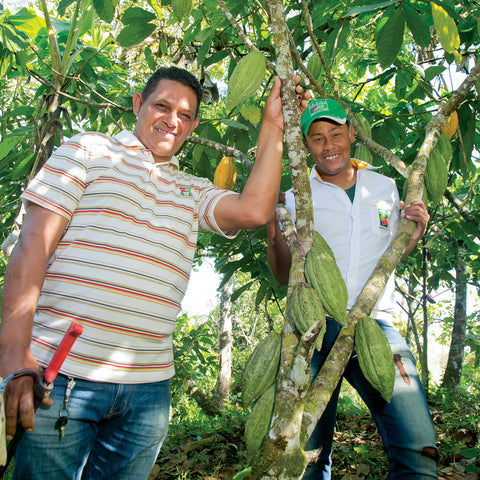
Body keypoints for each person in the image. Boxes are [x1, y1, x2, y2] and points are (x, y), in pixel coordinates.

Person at [0, 66, 289, 480]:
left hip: (148, 392)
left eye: (186, 115)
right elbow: (33, 245)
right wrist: (13, 353)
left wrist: (272, 126)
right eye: (162, 106)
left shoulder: (192, 189)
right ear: (138, 104)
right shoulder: (88, 150)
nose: (173, 120)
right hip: (62, 379)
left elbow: (253, 210)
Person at [267, 98, 438, 479]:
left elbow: (390, 254)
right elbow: (283, 275)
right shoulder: (296, 197)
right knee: (306, 460)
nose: (328, 146)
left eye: (336, 135)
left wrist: (416, 230)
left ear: (352, 134)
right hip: (314, 328)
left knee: (419, 449)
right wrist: (274, 230)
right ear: (305, 146)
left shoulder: (386, 187)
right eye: (317, 139)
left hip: (375, 324)